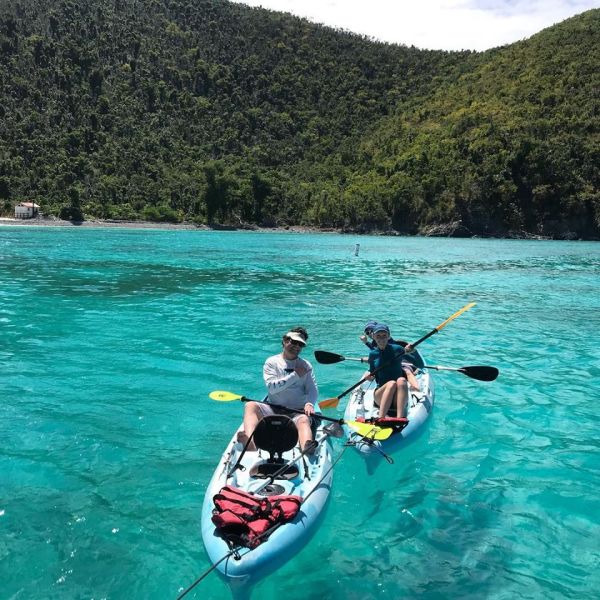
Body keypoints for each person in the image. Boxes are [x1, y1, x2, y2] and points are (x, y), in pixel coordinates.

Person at [238, 327, 318, 454]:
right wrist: (295, 375)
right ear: (285, 341)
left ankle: (306, 448)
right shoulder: (271, 362)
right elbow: (272, 388)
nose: (297, 346)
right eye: (293, 342)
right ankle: (251, 444)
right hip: (272, 409)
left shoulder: (306, 365)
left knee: (303, 420)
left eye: (300, 344)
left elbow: (312, 389)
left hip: (296, 411)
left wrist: (309, 403)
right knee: (250, 405)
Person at [365, 322, 416, 419]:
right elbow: (372, 375)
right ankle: (381, 418)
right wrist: (369, 377)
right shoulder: (372, 354)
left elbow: (419, 365)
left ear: (388, 336)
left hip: (398, 397)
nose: (381, 339)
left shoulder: (398, 349)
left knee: (401, 380)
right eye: (378, 336)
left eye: (384, 335)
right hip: (380, 395)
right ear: (373, 337)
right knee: (391, 383)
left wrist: (414, 352)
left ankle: (400, 419)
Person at [361, 320, 420, 392]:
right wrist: (370, 360)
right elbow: (376, 353)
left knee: (407, 371)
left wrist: (366, 343)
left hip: (400, 360)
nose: (369, 334)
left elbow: (388, 353)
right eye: (367, 333)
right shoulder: (374, 343)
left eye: (371, 331)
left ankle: (416, 388)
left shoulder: (390, 342)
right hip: (385, 364)